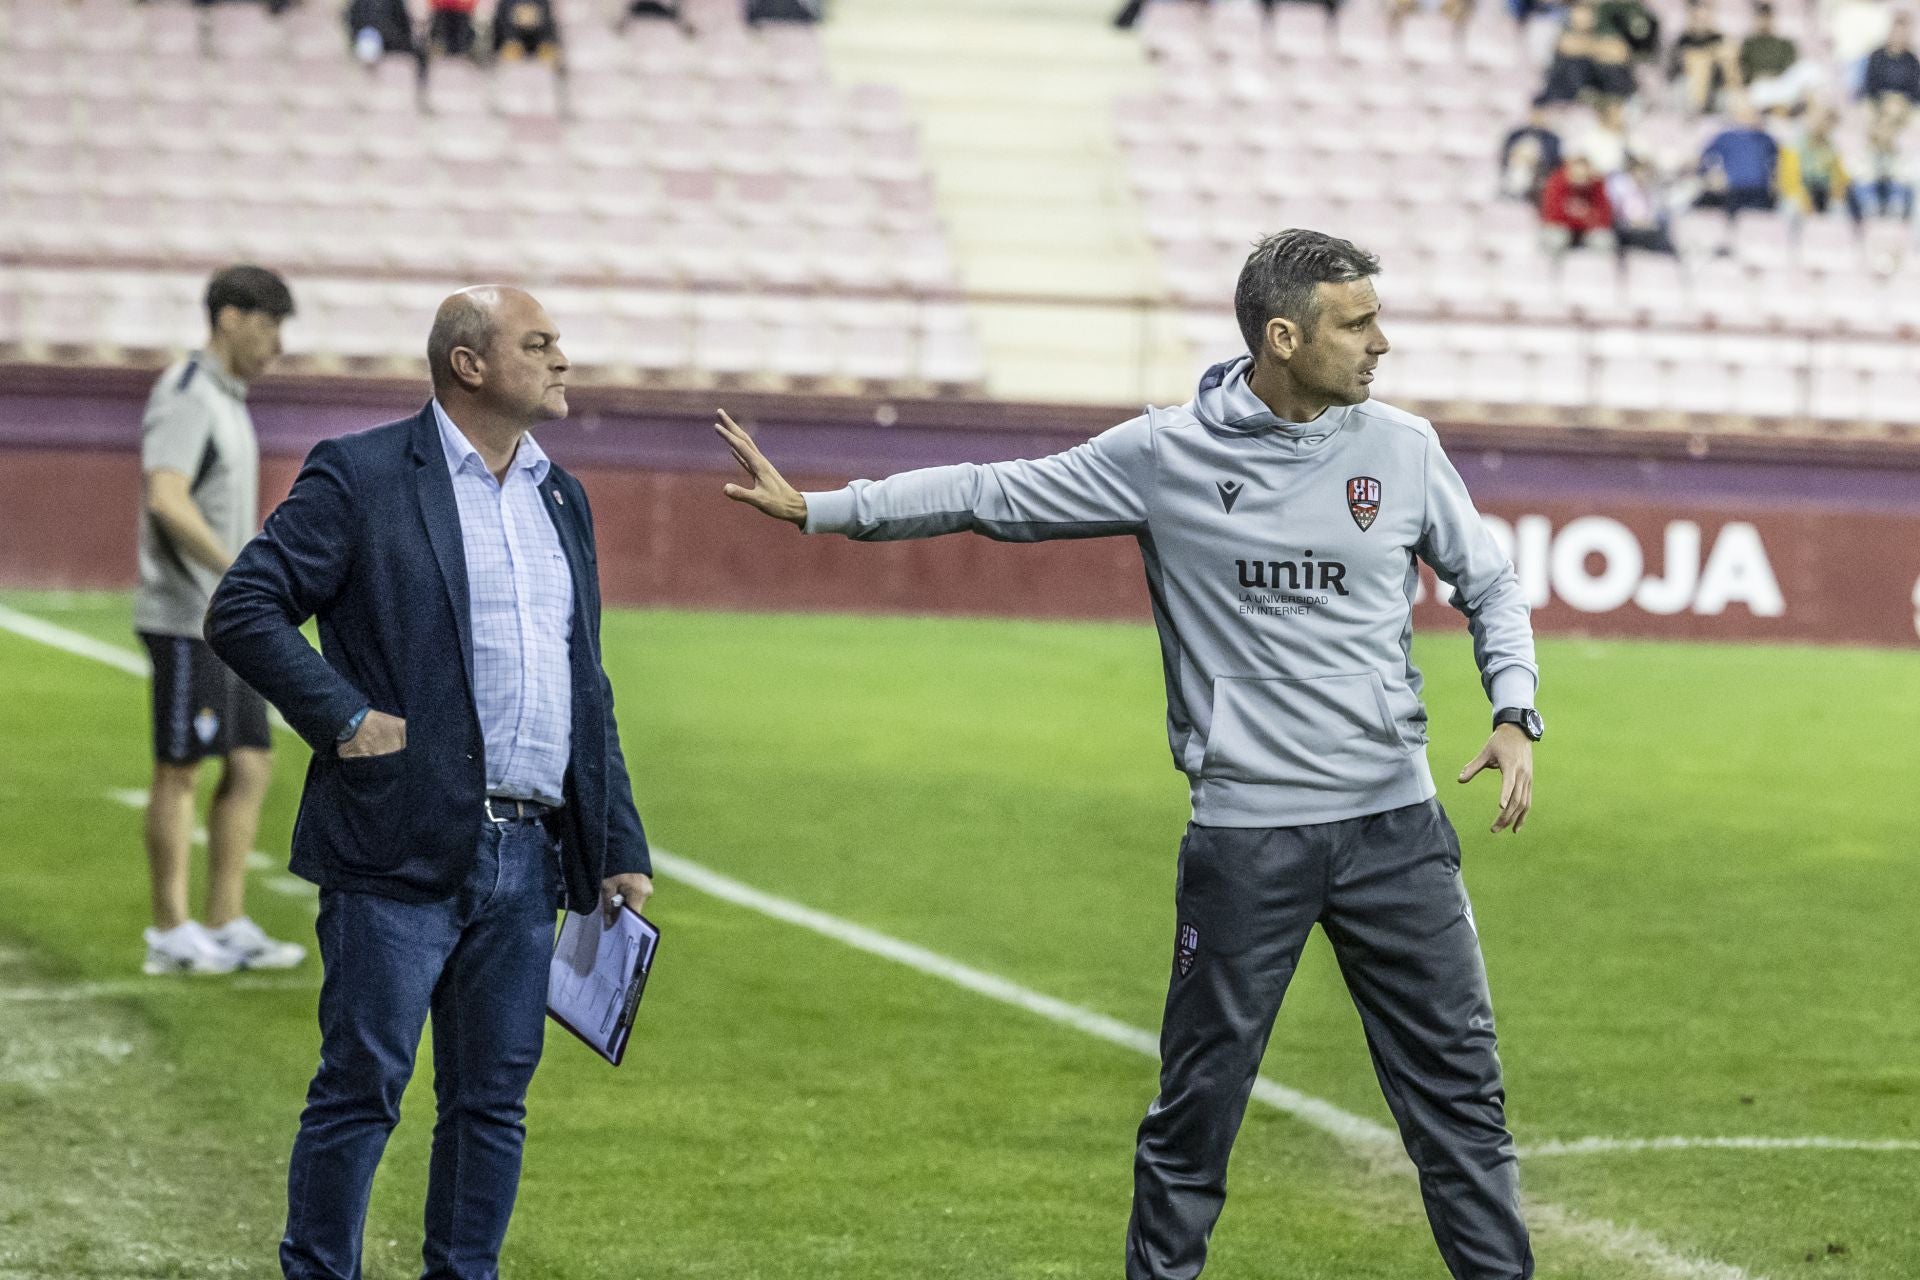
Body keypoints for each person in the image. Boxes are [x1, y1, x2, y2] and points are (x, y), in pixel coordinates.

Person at [715, 229, 1542, 1280]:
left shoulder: (1404, 448)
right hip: (1248, 841)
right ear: (1283, 338)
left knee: (1463, 1103)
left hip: (1397, 831)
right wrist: (825, 509)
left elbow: (1490, 584)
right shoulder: (1166, 454)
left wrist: (1515, 709)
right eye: (1358, 323)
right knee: (1198, 1111)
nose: (1383, 342)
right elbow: (995, 492)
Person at [205, 286, 655, 1280]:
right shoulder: (362, 473)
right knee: (361, 1089)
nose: (562, 359)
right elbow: (245, 605)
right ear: (469, 363)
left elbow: (586, 681)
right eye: (538, 343)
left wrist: (618, 839)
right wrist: (344, 717)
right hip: (396, 840)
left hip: (531, 859)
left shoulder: (561, 496)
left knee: (492, 1105)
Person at [136, 265, 306, 978]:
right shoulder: (187, 394)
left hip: (225, 619)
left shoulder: (227, 399)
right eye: (269, 327)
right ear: (231, 318)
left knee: (251, 761)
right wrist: (236, 569)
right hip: (186, 614)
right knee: (179, 768)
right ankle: (170, 930)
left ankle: (225, 920)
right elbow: (166, 497)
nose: (277, 346)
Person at [1699, 103, 1780, 214]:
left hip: (1759, 191)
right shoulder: (1726, 137)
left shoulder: (1765, 139)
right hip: (1734, 191)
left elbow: (1777, 162)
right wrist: (1710, 175)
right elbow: (1705, 158)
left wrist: (1774, 181)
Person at [1540, 155, 1618, 249]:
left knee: (1604, 240)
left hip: (1588, 230)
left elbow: (1605, 217)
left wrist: (1578, 214)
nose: (1580, 180)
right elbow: (1552, 216)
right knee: (1555, 239)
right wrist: (1585, 215)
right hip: (1563, 229)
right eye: (1577, 176)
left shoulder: (1597, 185)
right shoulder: (1556, 182)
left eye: (1584, 176)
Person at [1667, 0, 1731, 112]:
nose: (1701, 20)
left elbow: (1728, 71)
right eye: (1697, 17)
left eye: (1704, 16)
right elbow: (1672, 71)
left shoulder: (1718, 38)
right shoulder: (1683, 40)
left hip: (1715, 88)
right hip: (1687, 90)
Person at [1607, 155, 1678, 251]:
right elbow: (1618, 214)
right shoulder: (1622, 188)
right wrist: (1633, 222)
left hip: (1645, 228)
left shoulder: (1649, 191)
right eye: (1639, 172)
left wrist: (1647, 222)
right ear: (1633, 172)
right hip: (1627, 229)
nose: (1642, 176)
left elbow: (1654, 215)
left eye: (1645, 173)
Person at [1500, 100, 1564, 201]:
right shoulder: (1516, 134)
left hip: (1538, 175)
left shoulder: (1552, 139)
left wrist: (1535, 162)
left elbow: (1555, 162)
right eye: (1535, 113)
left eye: (1541, 114)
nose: (1537, 117)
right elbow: (1505, 154)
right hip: (1514, 170)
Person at [1863, 14, 1920, 112]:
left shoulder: (1912, 61)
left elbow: (1915, 90)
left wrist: (1900, 100)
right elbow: (1870, 84)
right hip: (1878, 100)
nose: (1898, 37)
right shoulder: (1877, 56)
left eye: (1902, 34)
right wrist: (1882, 100)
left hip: (1903, 103)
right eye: (1896, 32)